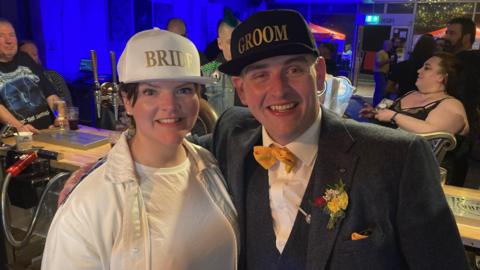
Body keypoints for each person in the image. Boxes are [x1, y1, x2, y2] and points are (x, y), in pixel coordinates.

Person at [58, 10, 469, 269]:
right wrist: (107, 168)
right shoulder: (233, 137)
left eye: (293, 69)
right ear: (240, 87)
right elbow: (163, 142)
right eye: (259, 75)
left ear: (320, 75)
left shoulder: (398, 158)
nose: (278, 91)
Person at [41, 28, 239, 270]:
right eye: (150, 92)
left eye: (184, 89)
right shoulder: (87, 208)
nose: (170, 106)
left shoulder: (211, 164)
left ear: (199, 96)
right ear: (127, 100)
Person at [361, 52, 468, 136]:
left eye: (427, 68)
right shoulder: (411, 94)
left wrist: (394, 116)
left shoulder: (451, 104)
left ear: (441, 77)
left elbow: (437, 133)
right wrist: (375, 114)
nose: (418, 70)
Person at [0, 19, 63, 133]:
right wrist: (20, 128)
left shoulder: (25, 58)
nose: (9, 41)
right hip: (19, 138)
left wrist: (61, 118)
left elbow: (50, 94)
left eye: (12, 35)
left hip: (50, 132)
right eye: (1, 36)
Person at [443, 17, 480, 186]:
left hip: (454, 134)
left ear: (466, 38)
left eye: (452, 33)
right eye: (446, 32)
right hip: (463, 133)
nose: (446, 37)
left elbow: (460, 97)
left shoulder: (463, 63)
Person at [201, 10, 240, 115]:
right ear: (219, 43)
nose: (236, 47)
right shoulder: (207, 71)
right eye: (230, 42)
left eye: (239, 41)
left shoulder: (253, 69)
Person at [19, 40, 73, 106]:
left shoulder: (53, 76)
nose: (31, 58)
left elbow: (67, 105)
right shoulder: (16, 83)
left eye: (34, 54)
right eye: (26, 55)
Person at [385, 34, 437, 99]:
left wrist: (402, 92)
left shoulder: (402, 65)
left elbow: (389, 87)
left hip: (403, 101)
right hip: (425, 103)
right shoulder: (435, 69)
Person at [373, 40, 393, 106]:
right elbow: (378, 63)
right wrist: (388, 60)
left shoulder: (386, 53)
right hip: (379, 73)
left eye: (391, 45)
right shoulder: (380, 53)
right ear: (385, 45)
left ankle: (377, 105)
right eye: (389, 45)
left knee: (381, 90)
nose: (390, 47)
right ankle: (376, 105)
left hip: (383, 74)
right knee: (380, 90)